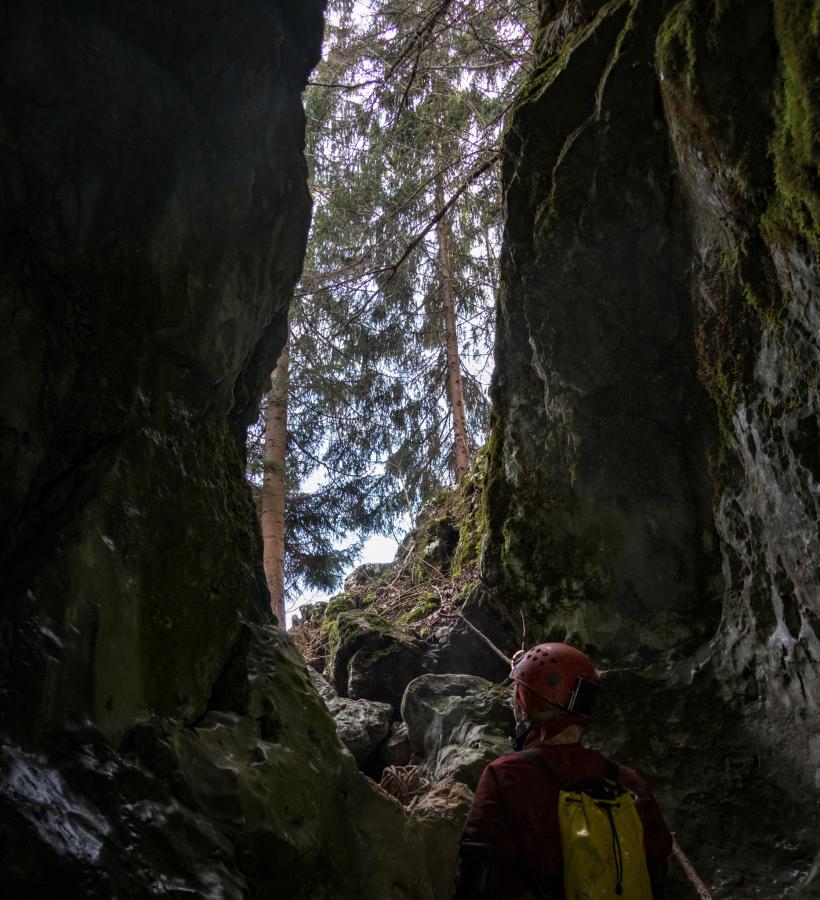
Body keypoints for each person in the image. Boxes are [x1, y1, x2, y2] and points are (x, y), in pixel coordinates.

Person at [453, 643, 672, 899]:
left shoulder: (506, 776)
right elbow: (656, 874)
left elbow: (479, 883)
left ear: (524, 704)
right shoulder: (627, 781)